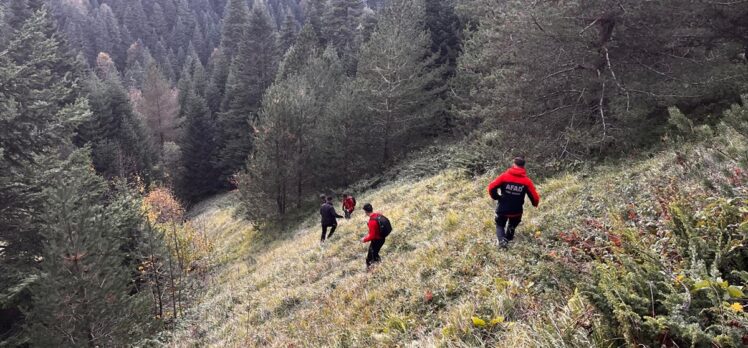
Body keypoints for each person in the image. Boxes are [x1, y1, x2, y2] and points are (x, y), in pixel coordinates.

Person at [487, 156, 540, 248]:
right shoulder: (526, 181)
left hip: (502, 208)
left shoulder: (504, 177)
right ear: (523, 167)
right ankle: (507, 241)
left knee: (500, 225)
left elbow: (491, 187)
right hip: (516, 210)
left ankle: (502, 242)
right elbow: (535, 198)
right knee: (512, 226)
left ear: (514, 164)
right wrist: (535, 204)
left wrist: (496, 197)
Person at [361, 203, 387, 269]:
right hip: (382, 238)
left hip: (377, 240)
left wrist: (364, 240)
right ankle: (381, 266)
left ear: (366, 211)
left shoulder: (372, 221)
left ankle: (371, 271)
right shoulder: (377, 215)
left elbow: (372, 236)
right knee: (375, 254)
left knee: (369, 259)